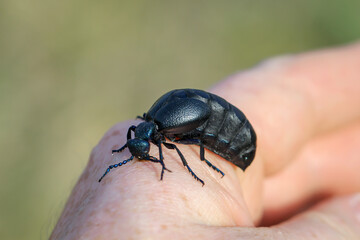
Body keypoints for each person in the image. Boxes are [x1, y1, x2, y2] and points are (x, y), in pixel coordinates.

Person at [51, 43, 360, 239]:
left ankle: (201, 168)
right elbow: (139, 136)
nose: (143, 153)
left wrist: (197, 169)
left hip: (208, 121)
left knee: (193, 141)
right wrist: (124, 150)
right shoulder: (143, 130)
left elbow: (190, 140)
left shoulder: (154, 130)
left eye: (140, 150)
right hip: (197, 115)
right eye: (138, 151)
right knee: (190, 138)